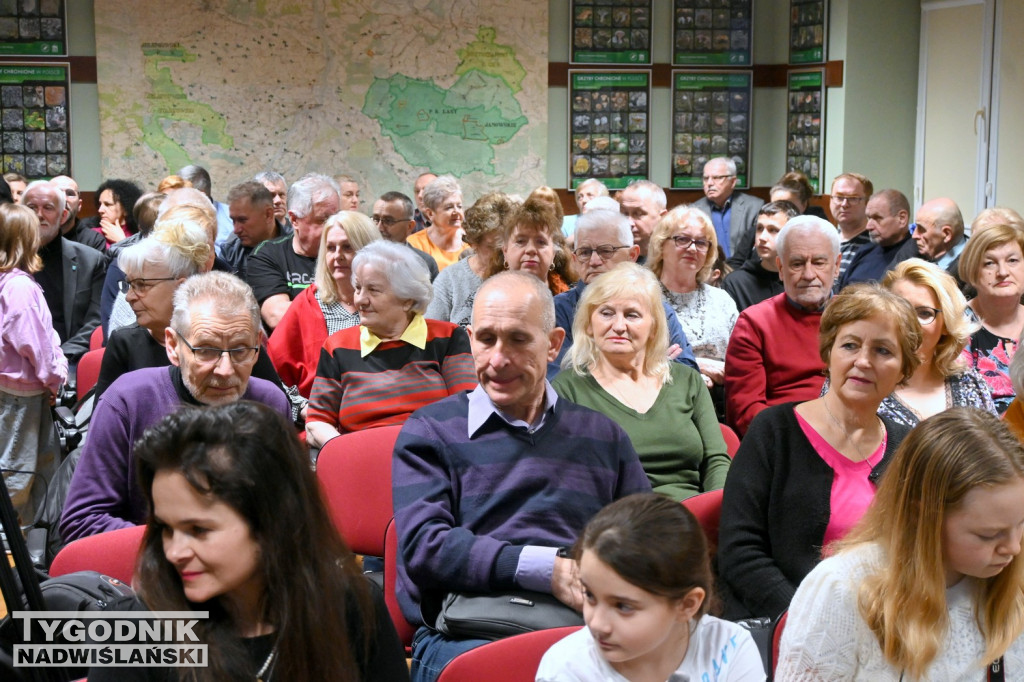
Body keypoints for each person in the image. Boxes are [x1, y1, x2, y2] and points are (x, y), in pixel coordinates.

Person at [393, 271, 651, 682]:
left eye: (517, 339)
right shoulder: (431, 431)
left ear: (553, 345)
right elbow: (425, 548)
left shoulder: (603, 437)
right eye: (486, 339)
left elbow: (645, 545)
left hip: (580, 630)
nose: (498, 359)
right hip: (468, 632)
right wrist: (546, 569)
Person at [87, 401, 410, 681]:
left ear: (272, 521)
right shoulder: (132, 628)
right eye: (166, 528)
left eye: (199, 530)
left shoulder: (348, 603)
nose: (174, 552)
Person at [718, 284, 920, 619]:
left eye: (883, 351)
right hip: (787, 621)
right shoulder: (775, 430)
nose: (863, 361)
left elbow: (917, 553)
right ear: (828, 355)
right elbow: (739, 552)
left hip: (880, 623)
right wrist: (808, 620)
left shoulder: (908, 446)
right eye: (850, 345)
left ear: (903, 370)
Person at [777, 408, 1024, 680]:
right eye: (988, 535)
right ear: (923, 515)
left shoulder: (1011, 586)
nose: (1013, 548)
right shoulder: (842, 589)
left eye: (1021, 525)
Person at [60, 271, 290, 543]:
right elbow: (82, 521)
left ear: (258, 347)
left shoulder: (270, 403)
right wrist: (187, 544)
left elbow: (286, 513)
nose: (226, 370)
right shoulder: (127, 401)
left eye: (240, 350)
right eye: (206, 350)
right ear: (173, 346)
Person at [536, 493, 766, 682]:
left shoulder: (730, 646)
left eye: (623, 606)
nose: (596, 623)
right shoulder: (566, 670)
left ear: (687, 605)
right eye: (589, 595)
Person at [554, 264, 729, 502]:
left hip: (695, 520)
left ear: (653, 327)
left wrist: (716, 512)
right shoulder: (566, 390)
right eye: (606, 313)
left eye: (632, 314)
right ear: (588, 325)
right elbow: (568, 480)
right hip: (618, 524)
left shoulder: (687, 380)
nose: (618, 326)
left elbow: (716, 460)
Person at [306, 241, 476, 447]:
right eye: (358, 288)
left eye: (373, 290)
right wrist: (346, 452)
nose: (360, 300)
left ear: (407, 299)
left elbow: (467, 410)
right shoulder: (338, 346)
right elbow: (317, 422)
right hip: (362, 458)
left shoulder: (446, 337)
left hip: (433, 457)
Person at [95, 215, 284, 400]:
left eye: (141, 285)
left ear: (181, 286)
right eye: (129, 285)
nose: (129, 297)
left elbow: (272, 405)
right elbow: (106, 420)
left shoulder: (232, 336)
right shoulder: (124, 343)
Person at [724, 215, 841, 435]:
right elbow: (746, 413)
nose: (808, 274)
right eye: (797, 263)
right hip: (783, 442)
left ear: (836, 266)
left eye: (819, 262)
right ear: (780, 267)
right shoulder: (754, 324)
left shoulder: (856, 318)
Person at [550, 209, 697, 378]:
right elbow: (557, 382)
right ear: (574, 260)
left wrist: (589, 367)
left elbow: (689, 376)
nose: (594, 261)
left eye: (606, 251)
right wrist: (651, 366)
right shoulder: (558, 310)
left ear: (632, 255)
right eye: (585, 252)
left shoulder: (657, 309)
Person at [268, 211, 380, 407]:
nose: (338, 256)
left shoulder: (390, 301)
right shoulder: (308, 302)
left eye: (347, 247)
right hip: (320, 416)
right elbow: (274, 374)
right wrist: (302, 409)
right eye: (330, 248)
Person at [0, 203, 68, 525]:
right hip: (21, 397)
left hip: (12, 393)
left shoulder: (9, 282)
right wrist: (55, 379)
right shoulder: (19, 287)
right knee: (18, 473)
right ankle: (12, 553)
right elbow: (36, 346)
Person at [878, 258, 995, 426]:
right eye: (900, 310)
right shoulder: (862, 379)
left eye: (924, 313)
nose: (911, 323)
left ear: (946, 324)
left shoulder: (970, 384)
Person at [648, 205, 737, 392]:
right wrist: (697, 365)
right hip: (665, 395)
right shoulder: (644, 298)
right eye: (683, 239)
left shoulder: (722, 299)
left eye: (701, 242)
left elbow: (742, 356)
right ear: (661, 245)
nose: (693, 248)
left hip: (722, 397)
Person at [22, 180, 105, 366]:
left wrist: (59, 358)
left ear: (63, 216)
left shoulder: (91, 261)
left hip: (70, 360)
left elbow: (95, 322)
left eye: (48, 208)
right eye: (31, 207)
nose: (39, 215)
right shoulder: (6, 261)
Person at [247, 173, 341, 330]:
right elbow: (277, 315)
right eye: (323, 220)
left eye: (336, 218)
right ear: (295, 220)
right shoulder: (267, 255)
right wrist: (345, 312)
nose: (334, 229)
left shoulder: (349, 254)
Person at [425, 191, 518, 326]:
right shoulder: (451, 279)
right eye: (494, 248)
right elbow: (432, 333)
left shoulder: (522, 276)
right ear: (474, 242)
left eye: (511, 245)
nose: (504, 254)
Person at [959, 224, 1024, 414]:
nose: (1003, 272)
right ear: (972, 270)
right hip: (982, 437)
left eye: (1012, 260)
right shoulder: (957, 325)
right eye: (989, 263)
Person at [484, 194, 575, 296]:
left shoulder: (573, 302)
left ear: (553, 253)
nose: (531, 249)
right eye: (520, 241)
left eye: (541, 242)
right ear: (505, 251)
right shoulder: (484, 297)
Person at [722, 200, 796, 311]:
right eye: (760, 228)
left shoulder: (801, 279)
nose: (762, 237)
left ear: (793, 235)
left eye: (773, 230)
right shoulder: (736, 283)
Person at [692, 156, 764, 268]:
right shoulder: (694, 211)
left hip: (744, 272)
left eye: (716, 178)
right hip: (706, 272)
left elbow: (757, 251)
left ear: (733, 181)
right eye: (706, 178)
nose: (709, 183)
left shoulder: (754, 207)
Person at [837, 189, 915, 289]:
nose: (868, 226)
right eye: (869, 218)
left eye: (877, 218)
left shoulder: (915, 256)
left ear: (902, 218)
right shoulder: (865, 251)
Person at [221, 180, 287, 280]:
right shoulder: (230, 252)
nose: (236, 230)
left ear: (268, 214)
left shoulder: (295, 248)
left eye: (242, 220)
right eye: (233, 220)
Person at [372, 190, 439, 280]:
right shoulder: (360, 256)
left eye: (388, 221)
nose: (379, 228)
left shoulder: (425, 263)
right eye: (376, 219)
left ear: (409, 226)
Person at [406, 175, 468, 271]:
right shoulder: (415, 244)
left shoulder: (472, 242)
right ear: (430, 213)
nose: (457, 212)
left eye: (459, 206)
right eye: (449, 207)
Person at [830, 172, 873, 279]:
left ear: (867, 203)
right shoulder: (825, 239)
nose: (844, 204)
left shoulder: (874, 243)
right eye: (839, 197)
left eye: (853, 198)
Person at [51, 174, 106, 252]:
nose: (64, 199)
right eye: (57, 193)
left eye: (70, 194)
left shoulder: (93, 241)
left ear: (79, 205)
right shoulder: (34, 236)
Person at [914, 196, 968, 273]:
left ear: (946, 234)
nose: (914, 235)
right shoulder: (915, 246)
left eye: (921, 229)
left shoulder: (971, 271)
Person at [617, 180, 666, 263]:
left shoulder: (672, 258)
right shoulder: (613, 256)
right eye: (624, 213)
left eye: (638, 214)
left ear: (662, 217)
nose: (629, 223)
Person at [88, 179, 144, 247]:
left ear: (126, 209)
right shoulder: (93, 235)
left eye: (108, 204)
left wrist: (121, 241)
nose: (100, 210)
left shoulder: (141, 236)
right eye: (100, 204)